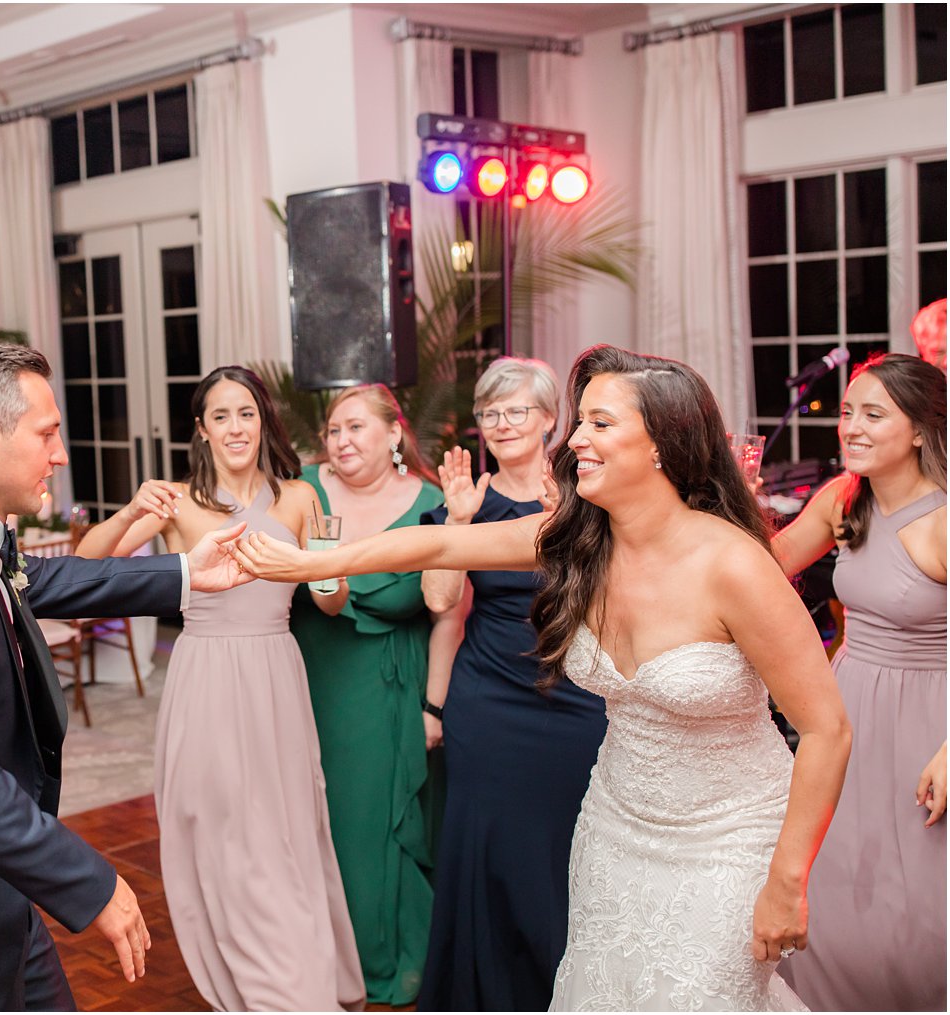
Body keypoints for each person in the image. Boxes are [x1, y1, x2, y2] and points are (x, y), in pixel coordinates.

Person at [232, 345, 853, 1012]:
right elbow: (440, 544)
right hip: (615, 826)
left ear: (662, 445)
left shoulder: (734, 565)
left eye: (600, 424)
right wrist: (305, 562)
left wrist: (788, 877)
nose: (576, 438)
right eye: (579, 421)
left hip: (727, 836)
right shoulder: (581, 539)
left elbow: (826, 728)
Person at [0, 344, 252, 1010]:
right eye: (47, 433)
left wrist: (182, 572)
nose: (59, 453)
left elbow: (37, 579)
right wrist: (89, 880)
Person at [76, 364, 365, 1011]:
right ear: (201, 431)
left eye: (246, 413)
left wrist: (326, 566)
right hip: (206, 675)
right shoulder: (176, 502)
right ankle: (252, 969)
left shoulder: (299, 497)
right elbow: (86, 569)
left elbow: (328, 600)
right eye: (221, 415)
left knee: (284, 826)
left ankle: (296, 974)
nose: (236, 426)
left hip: (275, 674)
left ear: (263, 421)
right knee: (222, 825)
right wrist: (129, 511)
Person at [414, 358, 606, 1011]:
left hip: (577, 697)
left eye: (516, 409)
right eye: (490, 413)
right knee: (486, 851)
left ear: (551, 419)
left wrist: (573, 526)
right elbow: (440, 600)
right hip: (489, 699)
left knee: (563, 852)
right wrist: (459, 523)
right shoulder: (470, 500)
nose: (501, 423)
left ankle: (566, 990)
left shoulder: (588, 494)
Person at [772, 353, 946, 1011]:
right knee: (834, 885)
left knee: (916, 911)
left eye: (874, 414)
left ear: (923, 430)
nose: (852, 427)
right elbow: (772, 566)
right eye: (847, 412)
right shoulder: (846, 498)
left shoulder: (942, 520)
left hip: (929, 722)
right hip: (844, 713)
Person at [285, 383, 444, 1005]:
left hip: (384, 685)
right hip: (303, 678)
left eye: (357, 427)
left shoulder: (432, 503)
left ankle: (378, 959)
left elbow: (449, 614)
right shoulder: (301, 490)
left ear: (394, 434)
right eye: (333, 429)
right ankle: (306, 958)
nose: (342, 441)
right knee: (301, 822)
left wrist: (434, 705)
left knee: (366, 825)